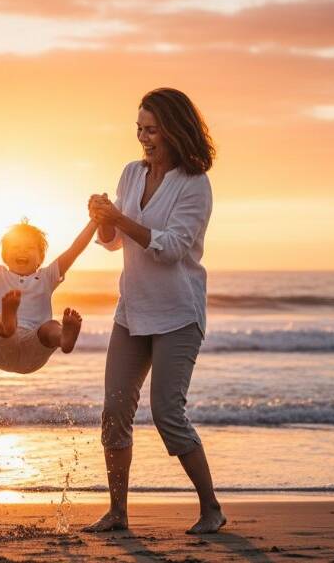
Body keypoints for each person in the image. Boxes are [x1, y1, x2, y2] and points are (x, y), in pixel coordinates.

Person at [83, 88, 226, 534]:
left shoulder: (195, 184)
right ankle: (117, 513)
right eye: (139, 129)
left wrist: (119, 219)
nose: (143, 138)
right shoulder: (131, 173)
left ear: (174, 130)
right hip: (132, 311)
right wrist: (102, 219)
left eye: (152, 130)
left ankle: (211, 508)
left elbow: (171, 248)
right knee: (114, 412)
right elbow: (113, 242)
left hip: (178, 314)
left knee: (167, 413)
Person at [0, 210, 97, 374]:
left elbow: (75, 249)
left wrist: (94, 221)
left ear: (40, 258)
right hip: (1, 350)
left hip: (34, 347)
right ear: (4, 255)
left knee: (51, 327)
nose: (22, 251)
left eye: (29, 248)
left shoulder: (47, 277)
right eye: (15, 247)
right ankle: (8, 322)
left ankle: (63, 339)